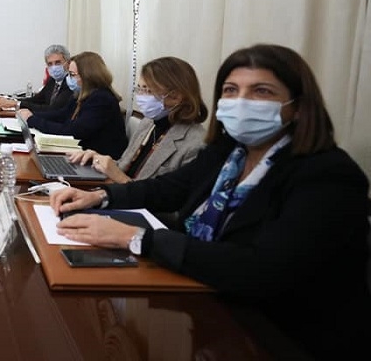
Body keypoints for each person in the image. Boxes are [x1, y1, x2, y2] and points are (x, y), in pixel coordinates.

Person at [49, 44, 371, 359]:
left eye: (261, 92)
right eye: (231, 90)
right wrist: (101, 196)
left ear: (299, 106)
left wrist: (136, 238)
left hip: (278, 336)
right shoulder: (229, 151)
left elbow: (262, 269)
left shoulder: (328, 175)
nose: (241, 101)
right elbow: (170, 187)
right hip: (204, 305)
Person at [68, 56, 208, 183]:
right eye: (139, 89)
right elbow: (124, 166)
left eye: (147, 90)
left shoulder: (196, 144)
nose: (140, 96)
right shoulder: (149, 122)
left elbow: (173, 205)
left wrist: (118, 177)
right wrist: (97, 159)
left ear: (176, 97)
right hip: (117, 194)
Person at [18, 51, 127, 158]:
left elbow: (72, 132)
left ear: (87, 76)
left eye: (72, 75)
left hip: (99, 161)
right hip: (82, 154)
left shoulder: (101, 99)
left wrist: (33, 120)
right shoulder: (82, 95)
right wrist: (31, 115)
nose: (68, 79)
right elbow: (61, 115)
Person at [0, 44, 74, 112]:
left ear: (68, 63)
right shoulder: (52, 80)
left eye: (58, 62)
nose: (54, 67)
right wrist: (11, 101)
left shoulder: (71, 83)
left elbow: (52, 109)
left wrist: (16, 104)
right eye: (50, 64)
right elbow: (36, 100)